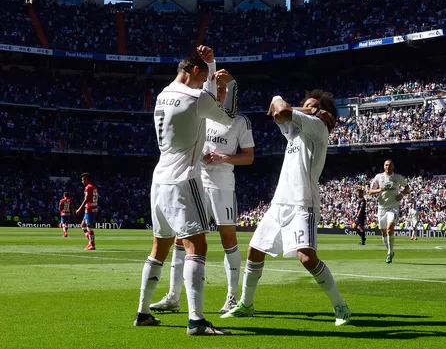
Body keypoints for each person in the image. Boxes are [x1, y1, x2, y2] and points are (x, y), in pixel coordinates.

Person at [133, 45, 237, 336]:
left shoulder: (163, 95)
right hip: (184, 179)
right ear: (194, 72)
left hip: (160, 179)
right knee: (197, 247)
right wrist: (226, 89)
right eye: (204, 75)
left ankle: (142, 312)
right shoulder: (196, 97)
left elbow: (204, 91)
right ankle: (196, 320)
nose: (207, 80)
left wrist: (211, 64)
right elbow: (227, 117)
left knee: (159, 249)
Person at [223, 91, 351, 327]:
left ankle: (340, 306)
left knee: (306, 258)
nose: (304, 108)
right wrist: (303, 106)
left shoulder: (317, 128)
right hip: (279, 202)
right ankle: (246, 305)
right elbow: (275, 108)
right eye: (304, 105)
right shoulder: (295, 129)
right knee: (255, 250)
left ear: (323, 114)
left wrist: (305, 111)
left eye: (311, 105)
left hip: (303, 203)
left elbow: (282, 110)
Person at [150, 74, 255, 315]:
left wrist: (223, 157)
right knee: (180, 239)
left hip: (222, 185)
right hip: (194, 183)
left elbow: (248, 157)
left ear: (228, 92)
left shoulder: (240, 121)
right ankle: (173, 296)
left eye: (222, 89)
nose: (218, 92)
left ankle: (231, 296)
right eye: (215, 88)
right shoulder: (200, 113)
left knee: (228, 239)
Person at [368, 160, 409, 263]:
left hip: (393, 207)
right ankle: (390, 251)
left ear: (393, 166)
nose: (388, 166)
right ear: (384, 166)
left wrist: (402, 194)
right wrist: (379, 190)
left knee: (390, 229)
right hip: (381, 208)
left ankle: (389, 253)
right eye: (386, 165)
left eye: (390, 165)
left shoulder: (398, 177)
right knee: (383, 232)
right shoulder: (378, 177)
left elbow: (407, 187)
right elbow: (370, 191)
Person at [75, 173, 98, 250]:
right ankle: (90, 242)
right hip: (93, 208)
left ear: (87, 179)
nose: (82, 181)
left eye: (83, 179)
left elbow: (86, 199)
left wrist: (79, 209)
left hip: (90, 209)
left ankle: (92, 245)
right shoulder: (94, 187)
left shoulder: (88, 187)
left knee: (89, 227)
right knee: (83, 225)